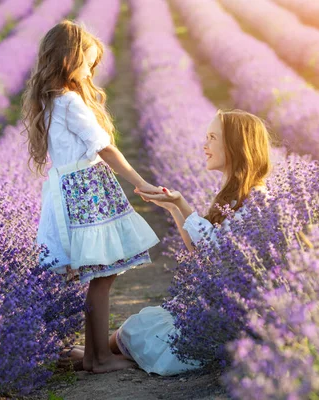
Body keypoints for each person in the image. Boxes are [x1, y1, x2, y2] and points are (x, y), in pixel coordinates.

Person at [22, 20, 162, 374]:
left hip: (73, 191)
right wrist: (139, 181)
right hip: (87, 192)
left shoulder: (51, 99)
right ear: (69, 60)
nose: (91, 71)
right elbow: (105, 147)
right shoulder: (69, 102)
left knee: (100, 274)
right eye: (88, 62)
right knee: (101, 276)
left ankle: (93, 354)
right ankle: (98, 358)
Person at [107, 109, 272, 376]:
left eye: (212, 138)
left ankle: (95, 358)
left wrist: (181, 203)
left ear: (236, 145)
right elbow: (200, 252)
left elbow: (216, 254)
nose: (204, 145)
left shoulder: (257, 200)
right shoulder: (234, 194)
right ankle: (97, 356)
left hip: (228, 324)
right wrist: (174, 207)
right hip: (216, 310)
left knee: (136, 330)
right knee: (135, 327)